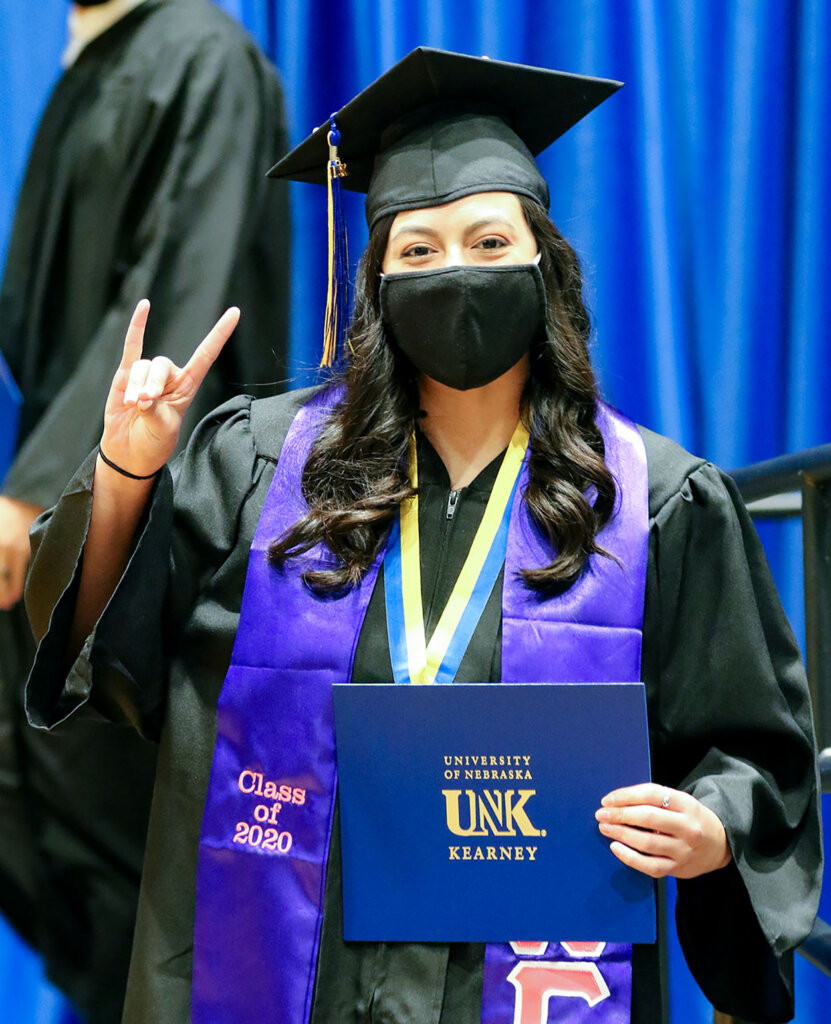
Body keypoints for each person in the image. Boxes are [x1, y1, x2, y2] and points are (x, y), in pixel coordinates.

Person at [23, 49, 820, 1024]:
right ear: (377, 284)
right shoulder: (260, 467)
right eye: (418, 251)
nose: (455, 273)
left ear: (545, 266)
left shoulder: (650, 501)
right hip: (286, 971)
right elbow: (104, 647)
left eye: (489, 242)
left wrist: (711, 829)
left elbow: (750, 751)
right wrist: (127, 468)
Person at [0, 0, 289, 1019]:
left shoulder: (196, 54)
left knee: (137, 880)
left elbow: (169, 300)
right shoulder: (95, 59)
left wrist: (41, 494)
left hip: (152, 536)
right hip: (65, 513)